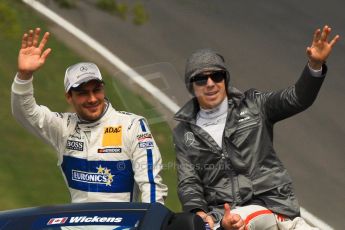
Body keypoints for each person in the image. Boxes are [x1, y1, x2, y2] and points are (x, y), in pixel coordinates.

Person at [173, 25, 340, 230]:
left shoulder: (255, 105)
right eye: (201, 78)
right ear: (191, 86)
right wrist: (197, 213)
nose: (210, 83)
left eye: (216, 76)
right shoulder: (183, 133)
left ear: (225, 80)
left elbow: (297, 98)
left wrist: (314, 65)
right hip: (222, 218)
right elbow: (188, 182)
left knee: (245, 218)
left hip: (272, 205)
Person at [11, 28, 167, 204]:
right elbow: (25, 112)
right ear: (69, 97)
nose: (92, 99)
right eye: (83, 93)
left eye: (97, 90)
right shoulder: (62, 126)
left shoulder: (132, 126)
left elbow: (151, 185)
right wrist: (24, 76)